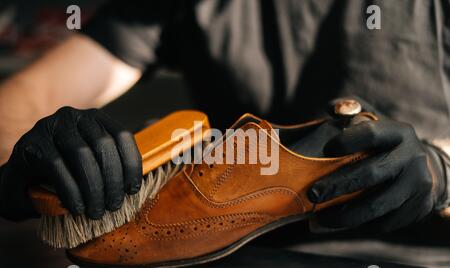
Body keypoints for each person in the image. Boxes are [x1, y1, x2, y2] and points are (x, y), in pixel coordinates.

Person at [0, 0, 448, 233]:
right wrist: (24, 164)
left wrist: (442, 171)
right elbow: (31, 95)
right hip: (218, 263)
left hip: (414, 267)